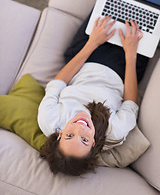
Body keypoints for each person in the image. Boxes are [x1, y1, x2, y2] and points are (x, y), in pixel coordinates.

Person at [38, 15, 149, 176]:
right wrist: (131, 53)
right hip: (123, 67)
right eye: (84, 140)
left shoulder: (49, 119)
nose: (80, 128)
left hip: (83, 57)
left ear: (59, 135)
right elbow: (130, 104)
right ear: (93, 143)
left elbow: (58, 82)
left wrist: (92, 43)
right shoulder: (113, 133)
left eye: (69, 135)